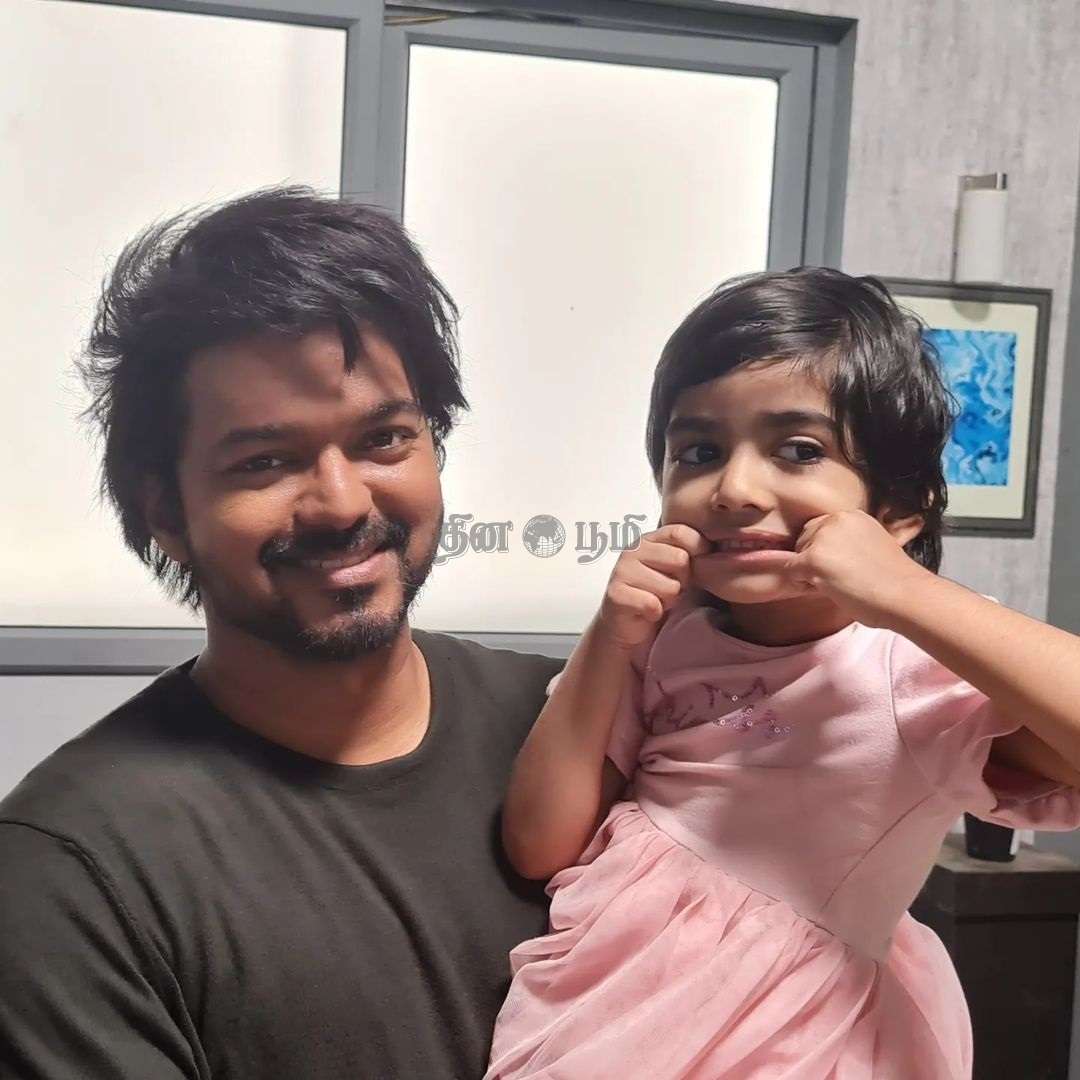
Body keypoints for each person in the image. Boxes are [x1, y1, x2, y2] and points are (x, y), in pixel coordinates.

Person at [0, 187, 562, 1079]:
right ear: (165, 513)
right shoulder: (72, 871)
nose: (342, 502)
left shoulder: (580, 723)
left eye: (384, 439)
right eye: (264, 461)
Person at [485, 268, 1080, 1079]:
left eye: (800, 451)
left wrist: (905, 591)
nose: (734, 488)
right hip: (601, 1013)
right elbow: (537, 845)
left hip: (790, 1036)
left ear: (897, 511)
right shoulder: (668, 636)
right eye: (698, 452)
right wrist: (608, 635)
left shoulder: (910, 670)